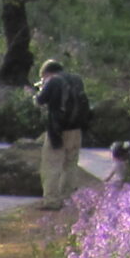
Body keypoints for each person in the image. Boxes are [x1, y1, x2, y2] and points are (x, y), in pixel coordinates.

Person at [31, 57, 90, 210]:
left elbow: (39, 101)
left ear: (46, 73)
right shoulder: (77, 79)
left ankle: (51, 201)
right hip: (76, 129)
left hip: (58, 130)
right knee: (70, 165)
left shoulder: (54, 81)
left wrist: (40, 89)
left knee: (51, 165)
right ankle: (68, 198)